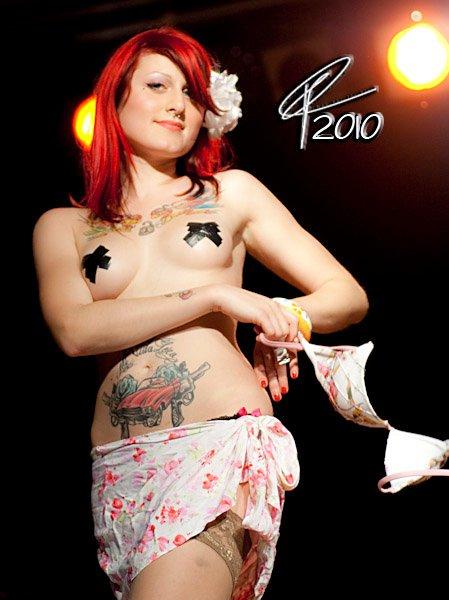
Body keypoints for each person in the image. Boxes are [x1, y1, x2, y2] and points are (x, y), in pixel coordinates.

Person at [32, 25, 369, 600]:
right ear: (114, 99)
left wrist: (281, 316)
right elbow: (74, 331)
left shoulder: (230, 193)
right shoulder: (63, 227)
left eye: (192, 93)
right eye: (158, 86)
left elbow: (346, 295)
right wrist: (214, 297)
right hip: (119, 469)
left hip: (217, 446)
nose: (178, 104)